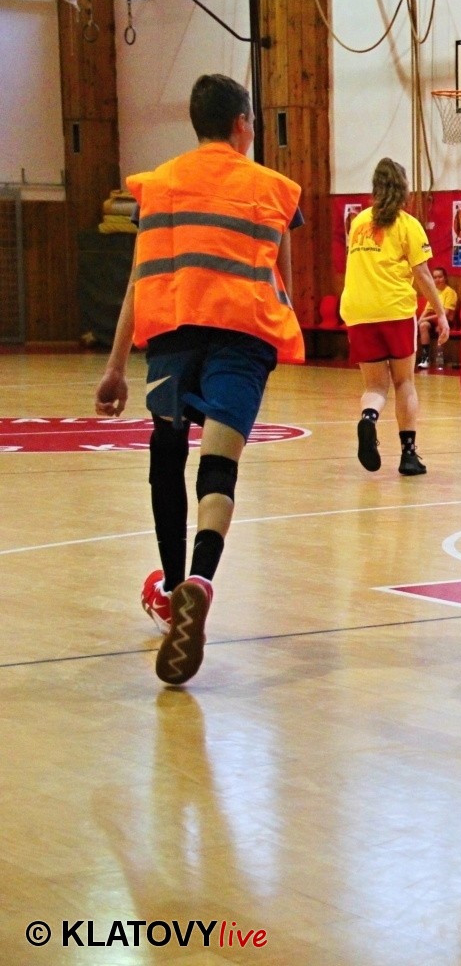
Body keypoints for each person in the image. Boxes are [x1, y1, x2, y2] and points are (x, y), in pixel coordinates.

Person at [93, 73, 303, 686]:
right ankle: (202, 581)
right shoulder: (273, 189)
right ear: (242, 124)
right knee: (219, 467)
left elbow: (139, 278)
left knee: (166, 459)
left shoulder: (158, 185)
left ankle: (170, 588)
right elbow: (284, 281)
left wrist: (114, 367)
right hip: (242, 339)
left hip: (172, 341)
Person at [341, 158, 449, 476]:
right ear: (404, 190)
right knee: (404, 383)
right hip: (394, 310)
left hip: (358, 311)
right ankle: (408, 455)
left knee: (375, 386)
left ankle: (368, 419)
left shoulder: (358, 223)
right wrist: (440, 312)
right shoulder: (407, 225)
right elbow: (423, 274)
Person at [417, 266, 460, 370]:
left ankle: (439, 359)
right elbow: (427, 310)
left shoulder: (450, 292)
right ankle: (425, 358)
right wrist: (420, 320)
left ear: (445, 278)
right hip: (433, 320)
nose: (437, 280)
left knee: (440, 326)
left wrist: (425, 319)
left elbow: (445, 314)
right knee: (423, 325)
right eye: (435, 277)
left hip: (446, 321)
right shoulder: (434, 291)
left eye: (440, 277)